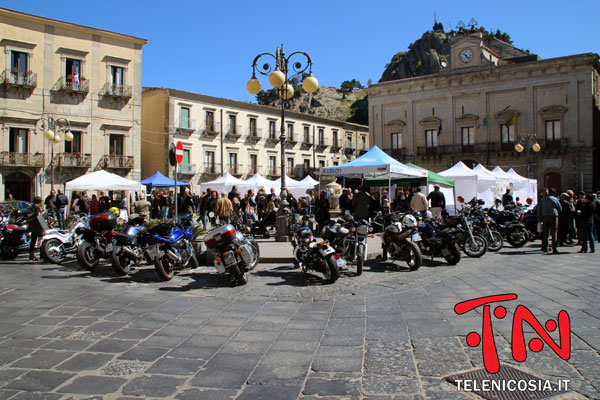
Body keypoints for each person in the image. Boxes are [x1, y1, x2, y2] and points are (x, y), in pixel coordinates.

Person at [537, 188, 562, 254]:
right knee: (554, 232)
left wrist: (539, 218)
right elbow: (560, 208)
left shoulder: (542, 200)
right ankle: (554, 248)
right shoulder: (554, 199)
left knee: (546, 232)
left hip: (544, 216)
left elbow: (539, 209)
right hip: (553, 215)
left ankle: (545, 247)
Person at [26, 196, 44, 261]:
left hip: (31, 225)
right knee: (42, 239)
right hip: (37, 225)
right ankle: (42, 254)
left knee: (33, 240)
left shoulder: (30, 207)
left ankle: (31, 255)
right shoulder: (37, 208)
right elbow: (38, 215)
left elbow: (27, 215)